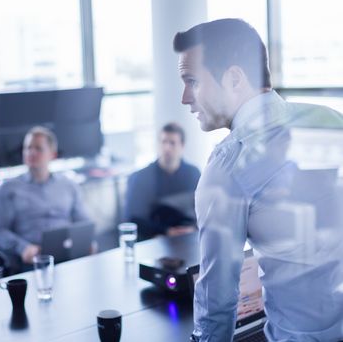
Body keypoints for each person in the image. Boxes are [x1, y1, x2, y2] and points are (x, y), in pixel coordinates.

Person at [173, 18, 343, 341]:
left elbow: (216, 307)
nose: (185, 97)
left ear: (234, 79)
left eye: (192, 81)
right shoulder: (331, 120)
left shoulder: (228, 167)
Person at [0, 126, 91, 272]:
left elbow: (83, 222)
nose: (31, 152)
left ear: (53, 154)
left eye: (38, 148)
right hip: (32, 261)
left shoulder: (69, 185)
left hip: (68, 256)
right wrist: (22, 248)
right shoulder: (8, 188)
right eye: (27, 148)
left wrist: (87, 241)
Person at [124, 122, 200, 240]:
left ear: (182, 146)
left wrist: (193, 228)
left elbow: (204, 210)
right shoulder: (141, 177)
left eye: (172, 143)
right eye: (163, 142)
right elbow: (133, 218)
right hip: (155, 239)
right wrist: (167, 231)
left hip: (188, 236)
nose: (167, 148)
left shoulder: (193, 174)